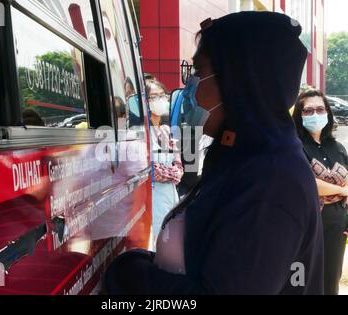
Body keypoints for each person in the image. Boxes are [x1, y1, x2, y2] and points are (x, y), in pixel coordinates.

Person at [104, 12, 324, 295]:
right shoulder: (240, 154)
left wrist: (132, 275)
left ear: (239, 81)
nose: (189, 87)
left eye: (197, 72)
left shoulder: (270, 180)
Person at [293, 89, 348, 295]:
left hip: (336, 225)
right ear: (299, 115)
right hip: (306, 224)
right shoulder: (295, 146)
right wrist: (340, 190)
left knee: (331, 279)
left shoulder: (338, 147)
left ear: (327, 113)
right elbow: (308, 183)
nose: (315, 114)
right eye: (308, 111)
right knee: (302, 279)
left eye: (320, 109)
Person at [146, 79, 184, 246]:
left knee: (169, 240)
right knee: (155, 244)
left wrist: (171, 172)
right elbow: (149, 169)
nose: (161, 100)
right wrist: (170, 172)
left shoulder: (165, 131)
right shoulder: (141, 132)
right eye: (154, 96)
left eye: (163, 95)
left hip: (170, 196)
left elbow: (179, 167)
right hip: (153, 199)